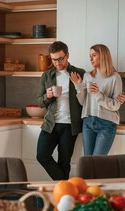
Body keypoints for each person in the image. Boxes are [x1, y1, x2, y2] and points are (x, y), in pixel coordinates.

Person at [36, 41, 86, 180]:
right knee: (42, 155)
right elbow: (40, 102)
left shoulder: (79, 73)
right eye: (53, 59)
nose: (57, 63)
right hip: (50, 124)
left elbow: (86, 101)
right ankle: (66, 186)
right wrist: (48, 96)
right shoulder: (47, 75)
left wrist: (78, 84)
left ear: (67, 55)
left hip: (70, 125)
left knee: (64, 162)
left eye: (60, 59)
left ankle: (62, 195)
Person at [70, 44, 123, 155]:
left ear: (103, 56)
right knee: (88, 162)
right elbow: (83, 102)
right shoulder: (88, 76)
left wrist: (98, 94)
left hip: (107, 124)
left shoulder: (115, 77)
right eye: (90, 55)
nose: (90, 58)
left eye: (94, 55)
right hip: (88, 122)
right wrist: (78, 85)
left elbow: (116, 105)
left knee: (98, 163)